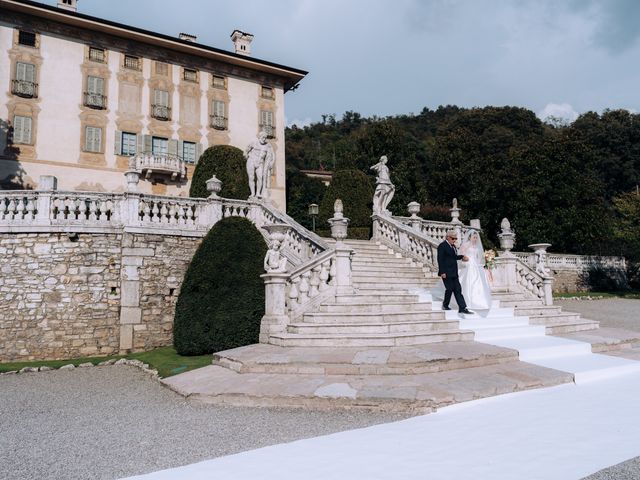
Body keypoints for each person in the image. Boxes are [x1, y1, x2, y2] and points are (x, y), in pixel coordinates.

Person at [437, 229, 472, 314]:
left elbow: (453, 257)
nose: (455, 240)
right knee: (449, 289)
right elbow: (440, 260)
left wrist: (461, 257)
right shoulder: (442, 246)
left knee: (458, 289)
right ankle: (445, 305)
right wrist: (442, 272)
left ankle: (462, 308)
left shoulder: (453, 246)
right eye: (453, 238)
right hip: (446, 272)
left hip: (454, 272)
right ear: (448, 237)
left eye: (455, 239)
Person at [458, 229, 492, 310]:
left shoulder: (476, 246)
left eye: (476, 238)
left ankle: (480, 301)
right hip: (468, 264)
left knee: (478, 281)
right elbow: (461, 254)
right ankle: (467, 300)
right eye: (474, 237)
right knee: (469, 280)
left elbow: (478, 256)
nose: (475, 239)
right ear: (470, 237)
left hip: (476, 264)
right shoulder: (466, 245)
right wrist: (464, 260)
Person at [245, 131, 274, 199]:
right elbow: (246, 150)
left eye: (265, 138)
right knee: (251, 177)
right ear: (259, 137)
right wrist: (246, 156)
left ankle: (258, 193)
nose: (264, 139)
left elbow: (271, 155)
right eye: (263, 137)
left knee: (260, 178)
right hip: (251, 160)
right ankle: (252, 193)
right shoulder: (253, 143)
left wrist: (271, 162)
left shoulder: (267, 146)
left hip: (260, 162)